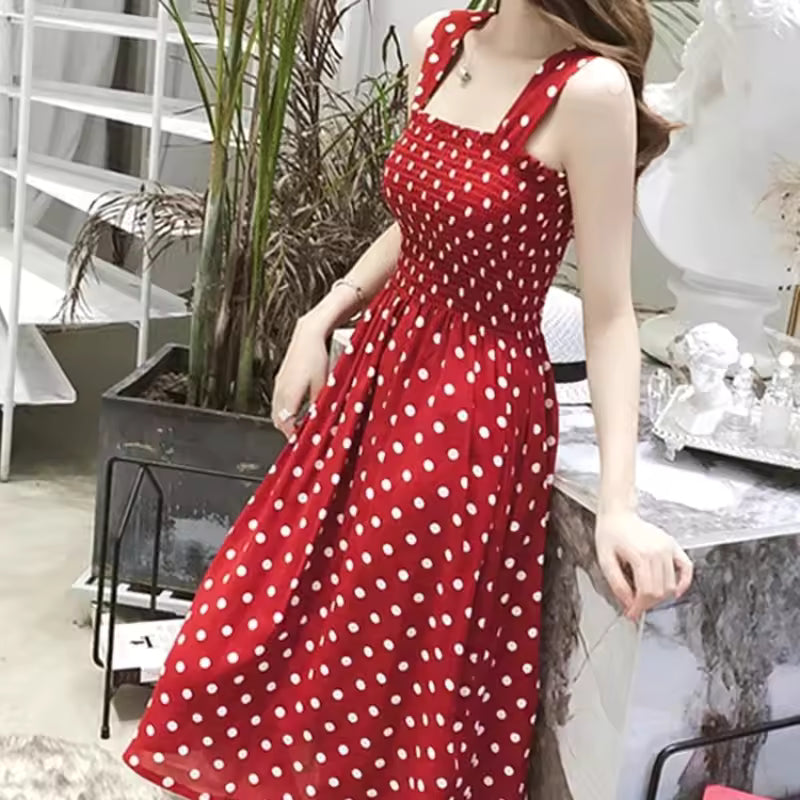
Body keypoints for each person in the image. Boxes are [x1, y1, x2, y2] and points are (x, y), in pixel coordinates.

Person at [124, 1, 694, 798]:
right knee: (272, 610)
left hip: (471, 406)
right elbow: (423, 217)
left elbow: (608, 313)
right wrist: (322, 316)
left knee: (382, 654)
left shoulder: (586, 91)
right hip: (380, 372)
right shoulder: (440, 41)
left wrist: (619, 506)